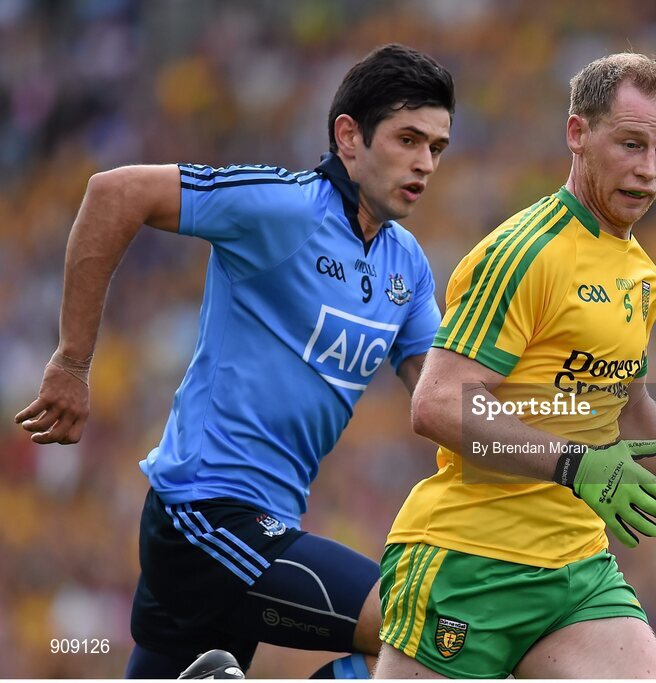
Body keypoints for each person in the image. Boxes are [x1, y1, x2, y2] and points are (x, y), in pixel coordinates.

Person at [14, 43, 454, 678]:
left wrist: (553, 451)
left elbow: (442, 398)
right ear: (349, 138)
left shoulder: (406, 265)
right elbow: (115, 193)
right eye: (408, 139)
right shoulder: (285, 207)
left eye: (436, 148)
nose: (425, 163)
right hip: (205, 518)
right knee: (425, 628)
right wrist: (72, 363)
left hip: (257, 532)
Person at [373, 52, 656, 679]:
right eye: (630, 144)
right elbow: (436, 403)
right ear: (577, 134)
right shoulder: (525, 253)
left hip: (577, 566)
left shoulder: (641, 273)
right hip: (470, 558)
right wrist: (575, 463)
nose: (649, 169)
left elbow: (624, 406)